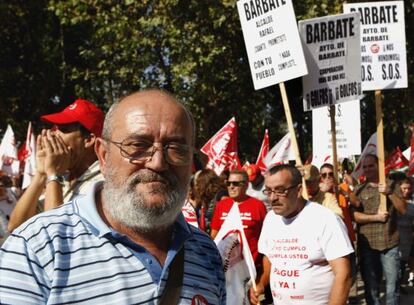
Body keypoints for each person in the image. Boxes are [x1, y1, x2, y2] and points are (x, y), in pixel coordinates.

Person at [0, 89, 226, 304]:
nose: (157, 163)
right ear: (104, 155)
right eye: (138, 145)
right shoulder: (34, 248)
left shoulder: (206, 252)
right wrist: (47, 175)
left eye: (175, 148)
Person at [250, 164, 353, 305]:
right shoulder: (270, 219)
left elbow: (344, 274)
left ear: (298, 190)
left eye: (280, 191)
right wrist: (261, 282)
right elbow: (269, 257)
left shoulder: (325, 219)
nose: (273, 198)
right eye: (268, 191)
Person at [7, 99, 104, 231]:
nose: (53, 135)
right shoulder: (63, 178)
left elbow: (56, 234)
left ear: (89, 140)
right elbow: (15, 227)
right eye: (55, 129)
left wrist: (54, 175)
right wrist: (41, 174)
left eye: (63, 130)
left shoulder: (103, 182)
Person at [353, 154, 407, 305]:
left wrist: (389, 193)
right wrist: (375, 218)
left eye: (371, 166)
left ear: (379, 166)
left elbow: (402, 209)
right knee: (371, 286)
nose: (368, 169)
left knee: (392, 286)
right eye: (365, 167)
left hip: (390, 243)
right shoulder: (359, 189)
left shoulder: (392, 185)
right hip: (368, 245)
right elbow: (355, 216)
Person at [210, 169, 267, 266]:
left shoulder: (258, 205)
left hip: (250, 267)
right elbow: (214, 234)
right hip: (225, 266)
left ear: (246, 186)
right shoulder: (221, 205)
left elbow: (265, 238)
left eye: (235, 183)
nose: (231, 187)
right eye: (228, 183)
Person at [397, 177, 414, 287]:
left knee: (406, 260)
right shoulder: (393, 201)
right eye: (404, 188)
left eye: (408, 188)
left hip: (409, 237)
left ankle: (405, 281)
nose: (406, 191)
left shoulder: (412, 203)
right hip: (396, 238)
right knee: (398, 264)